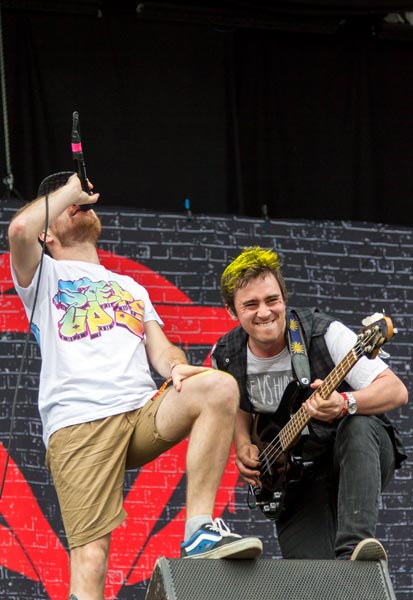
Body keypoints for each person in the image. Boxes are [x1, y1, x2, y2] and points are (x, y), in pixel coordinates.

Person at [8, 173, 263, 600]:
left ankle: (199, 531)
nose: (78, 205)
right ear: (46, 233)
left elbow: (161, 350)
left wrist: (176, 367)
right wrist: (70, 191)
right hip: (79, 423)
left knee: (218, 387)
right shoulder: (42, 275)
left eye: (80, 201)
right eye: (65, 206)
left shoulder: (130, 286)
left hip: (140, 411)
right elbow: (19, 229)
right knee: (91, 561)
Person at [211, 246, 408, 561]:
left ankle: (355, 550)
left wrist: (344, 402)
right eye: (251, 304)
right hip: (295, 480)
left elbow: (396, 391)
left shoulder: (323, 332)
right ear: (232, 311)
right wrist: (243, 442)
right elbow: (237, 403)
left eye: (272, 300)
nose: (264, 312)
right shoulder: (225, 354)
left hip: (354, 456)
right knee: (310, 577)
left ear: (284, 299)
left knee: (358, 423)